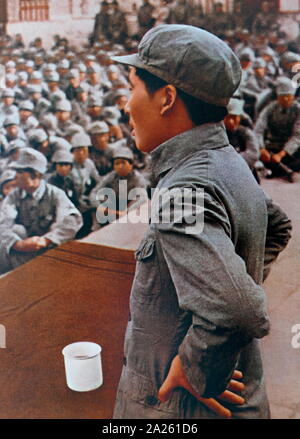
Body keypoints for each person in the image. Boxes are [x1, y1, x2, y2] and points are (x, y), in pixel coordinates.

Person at [110, 24, 283, 419]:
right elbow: (277, 227)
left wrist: (195, 365)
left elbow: (240, 308)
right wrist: (232, 274)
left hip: (175, 407)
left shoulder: (185, 187)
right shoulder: (227, 163)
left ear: (167, 97)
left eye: (133, 88)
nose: (126, 104)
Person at [0, 148, 82, 274]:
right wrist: (18, 244)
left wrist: (47, 240)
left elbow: (73, 220)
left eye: (20, 171)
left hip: (48, 253)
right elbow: (3, 224)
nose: (15, 176)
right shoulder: (14, 196)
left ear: (34, 174)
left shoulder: (55, 194)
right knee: (16, 231)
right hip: (20, 254)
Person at [254, 77, 300, 182]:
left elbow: (297, 136)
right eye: (282, 96)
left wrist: (281, 154)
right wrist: (262, 149)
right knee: (261, 155)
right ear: (278, 97)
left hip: (292, 148)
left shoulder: (298, 109)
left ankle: (278, 167)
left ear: (293, 97)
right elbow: (258, 130)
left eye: (288, 96)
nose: (286, 99)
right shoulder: (270, 108)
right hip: (273, 145)